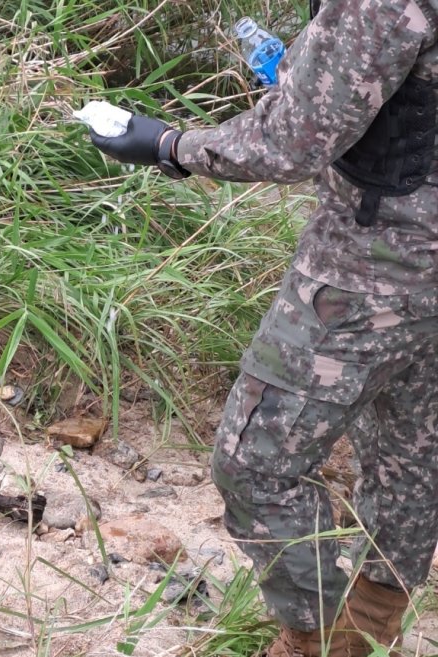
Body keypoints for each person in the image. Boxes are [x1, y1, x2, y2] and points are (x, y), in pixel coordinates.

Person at [87, 0, 438, 655]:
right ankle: (371, 626)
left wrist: (170, 146)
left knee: (255, 466)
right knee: (409, 459)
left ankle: (318, 642)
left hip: (375, 266)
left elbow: (295, 142)